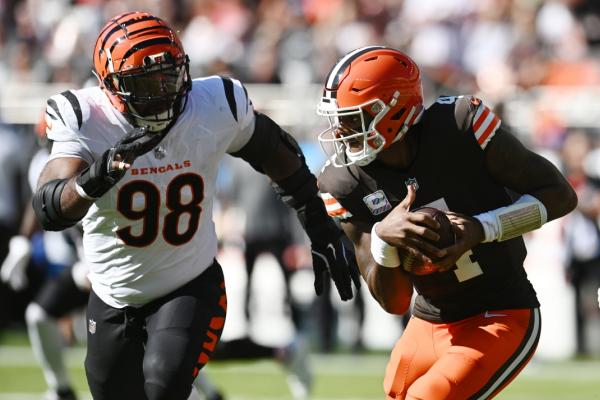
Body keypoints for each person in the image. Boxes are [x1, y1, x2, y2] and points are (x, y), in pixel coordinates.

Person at [32, 11, 359, 400]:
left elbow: (276, 152)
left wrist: (318, 224)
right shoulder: (88, 118)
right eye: (145, 82)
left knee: (162, 385)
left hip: (189, 284)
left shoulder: (212, 103)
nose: (162, 92)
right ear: (110, 86)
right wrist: (94, 178)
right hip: (112, 294)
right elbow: (49, 207)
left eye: (168, 76)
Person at [315, 46, 577, 400]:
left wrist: (483, 228)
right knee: (398, 391)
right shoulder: (343, 182)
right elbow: (393, 302)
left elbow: (560, 195)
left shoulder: (460, 126)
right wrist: (383, 239)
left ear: (394, 110)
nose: (342, 131)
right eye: (339, 119)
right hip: (428, 319)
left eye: (354, 118)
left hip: (501, 310)